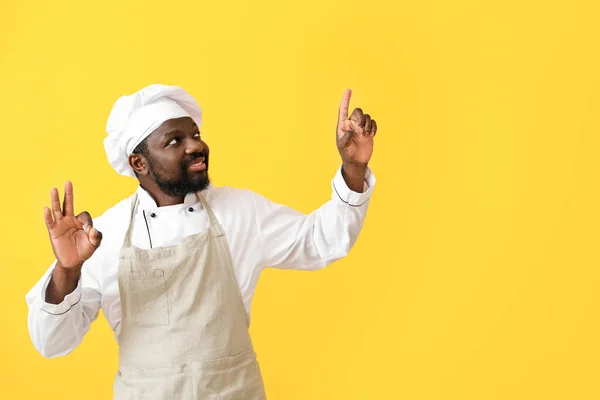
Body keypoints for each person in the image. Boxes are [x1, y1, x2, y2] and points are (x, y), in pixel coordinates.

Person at [25, 84, 377, 399]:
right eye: (175, 141)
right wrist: (67, 271)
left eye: (195, 134)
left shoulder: (240, 211)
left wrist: (353, 169)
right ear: (139, 162)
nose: (196, 145)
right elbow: (52, 343)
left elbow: (322, 240)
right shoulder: (104, 235)